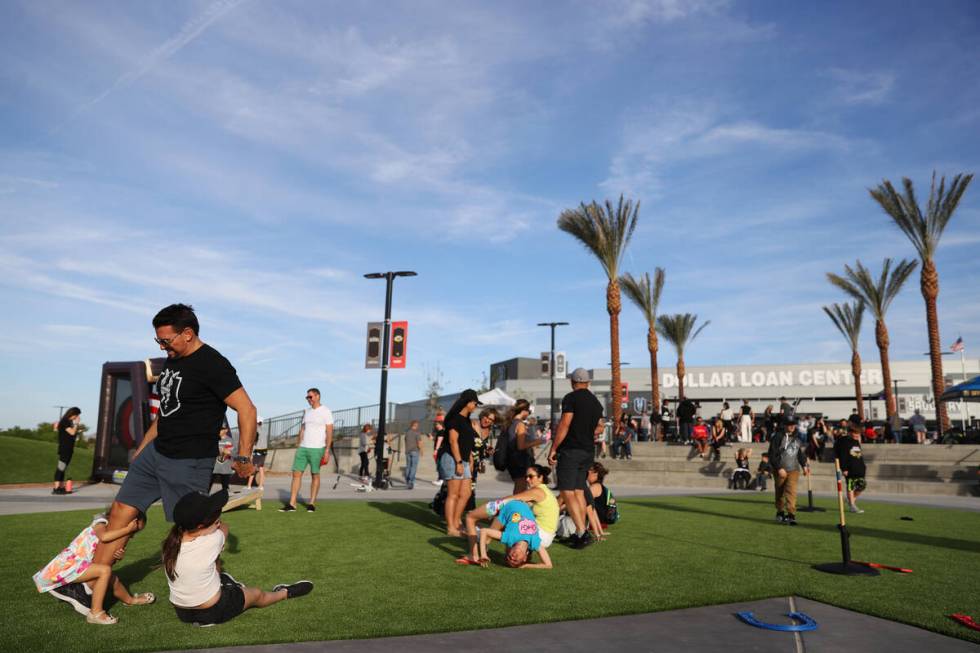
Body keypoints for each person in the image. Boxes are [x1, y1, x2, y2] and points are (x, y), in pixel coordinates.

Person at [62, 304, 256, 615]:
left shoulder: (213, 364)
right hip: (155, 453)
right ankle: (86, 588)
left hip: (189, 461)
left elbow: (247, 410)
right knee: (119, 513)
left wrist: (244, 455)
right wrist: (142, 448)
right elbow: (166, 412)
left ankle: (213, 589)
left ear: (188, 334)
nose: (162, 346)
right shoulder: (173, 360)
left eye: (166, 341)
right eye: (158, 341)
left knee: (192, 530)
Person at [162, 490, 312, 626]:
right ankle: (285, 592)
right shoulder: (213, 540)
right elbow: (225, 528)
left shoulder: (170, 544)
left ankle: (227, 585)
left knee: (215, 568)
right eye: (216, 521)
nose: (219, 522)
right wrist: (218, 530)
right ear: (201, 526)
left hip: (182, 612)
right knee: (257, 594)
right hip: (213, 610)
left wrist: (212, 529)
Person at [35, 511, 151, 624]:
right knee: (105, 571)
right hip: (66, 566)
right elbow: (104, 537)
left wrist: (118, 556)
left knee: (112, 577)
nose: (132, 536)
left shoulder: (114, 533)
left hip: (77, 565)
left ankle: (130, 600)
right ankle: (95, 613)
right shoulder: (100, 521)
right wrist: (127, 530)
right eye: (134, 530)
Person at [548, 368, 603, 550]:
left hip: (571, 450)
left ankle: (580, 532)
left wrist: (553, 448)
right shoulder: (596, 403)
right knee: (579, 490)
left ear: (573, 382)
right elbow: (599, 428)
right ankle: (580, 532)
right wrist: (585, 431)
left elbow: (565, 423)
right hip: (588, 451)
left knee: (567, 490)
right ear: (588, 382)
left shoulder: (571, 398)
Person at [437, 389, 482, 537]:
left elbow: (466, 441)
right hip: (452, 458)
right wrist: (458, 462)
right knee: (453, 494)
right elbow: (453, 441)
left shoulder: (467, 420)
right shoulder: (454, 419)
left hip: (463, 459)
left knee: (466, 493)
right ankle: (451, 528)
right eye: (475, 403)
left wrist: (469, 458)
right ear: (468, 402)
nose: (476, 406)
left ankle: (457, 522)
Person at [282, 388, 334, 512]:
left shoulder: (326, 411)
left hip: (317, 449)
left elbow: (330, 431)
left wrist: (327, 450)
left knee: (315, 474)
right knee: (296, 474)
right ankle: (292, 504)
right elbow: (303, 429)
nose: (308, 399)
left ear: (317, 396)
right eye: (307, 397)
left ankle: (311, 503)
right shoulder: (306, 411)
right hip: (303, 448)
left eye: (310, 397)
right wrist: (299, 444)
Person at [467, 499, 553, 569]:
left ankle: (473, 552)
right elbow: (548, 565)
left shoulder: (510, 538)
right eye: (515, 561)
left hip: (504, 505)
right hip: (518, 500)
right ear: (524, 558)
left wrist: (483, 555)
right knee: (487, 539)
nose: (512, 557)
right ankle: (474, 537)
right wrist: (526, 566)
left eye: (509, 558)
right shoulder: (534, 543)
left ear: (509, 551)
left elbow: (484, 531)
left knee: (469, 517)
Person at [766, 416, 809, 526]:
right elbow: (772, 455)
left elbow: (799, 453)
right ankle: (780, 512)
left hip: (794, 469)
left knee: (791, 492)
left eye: (793, 424)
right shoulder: (777, 437)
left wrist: (804, 465)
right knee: (780, 493)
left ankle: (791, 515)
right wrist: (779, 468)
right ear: (784, 425)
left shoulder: (797, 437)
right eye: (789, 424)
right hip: (780, 470)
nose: (792, 426)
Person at [504, 399, 544, 493]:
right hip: (520, 461)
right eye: (528, 411)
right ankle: (516, 507)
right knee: (520, 489)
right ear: (524, 411)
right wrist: (537, 442)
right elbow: (521, 446)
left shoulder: (510, 423)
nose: (529, 414)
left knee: (519, 488)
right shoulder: (520, 424)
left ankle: (518, 506)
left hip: (512, 460)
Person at [834, 418, 868, 513]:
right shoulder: (844, 442)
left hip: (859, 468)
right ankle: (852, 506)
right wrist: (844, 468)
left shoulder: (856, 441)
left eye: (858, 434)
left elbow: (859, 455)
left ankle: (850, 500)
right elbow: (842, 455)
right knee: (851, 486)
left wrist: (863, 466)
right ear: (849, 432)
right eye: (855, 434)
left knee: (862, 485)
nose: (857, 436)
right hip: (849, 469)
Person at [53, 407, 82, 494]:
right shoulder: (65, 421)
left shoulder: (69, 422)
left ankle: (61, 487)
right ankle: (56, 488)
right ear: (73, 414)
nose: (77, 418)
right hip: (65, 448)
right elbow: (72, 433)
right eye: (77, 416)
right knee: (60, 467)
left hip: (69, 448)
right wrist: (76, 424)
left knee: (63, 468)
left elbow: (72, 434)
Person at [246, 416, 268, 490]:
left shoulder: (256, 430)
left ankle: (249, 486)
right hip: (264, 451)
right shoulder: (264, 430)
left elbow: (254, 442)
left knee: (253, 468)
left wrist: (251, 453)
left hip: (257, 451)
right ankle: (261, 486)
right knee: (261, 468)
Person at [211, 426, 234, 492]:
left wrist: (228, 451)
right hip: (214, 466)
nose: (219, 430)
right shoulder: (214, 439)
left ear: (226, 430)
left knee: (225, 488)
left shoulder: (230, 440)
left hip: (225, 467)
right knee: (207, 486)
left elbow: (233, 453)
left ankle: (226, 498)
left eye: (221, 429)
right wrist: (220, 450)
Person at [403, 420, 423, 489]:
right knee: (413, 467)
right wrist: (421, 450)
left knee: (408, 466)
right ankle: (411, 481)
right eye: (417, 425)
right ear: (415, 425)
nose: (418, 427)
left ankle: (407, 481)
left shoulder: (407, 432)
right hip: (415, 451)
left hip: (407, 451)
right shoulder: (417, 432)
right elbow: (419, 442)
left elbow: (405, 440)